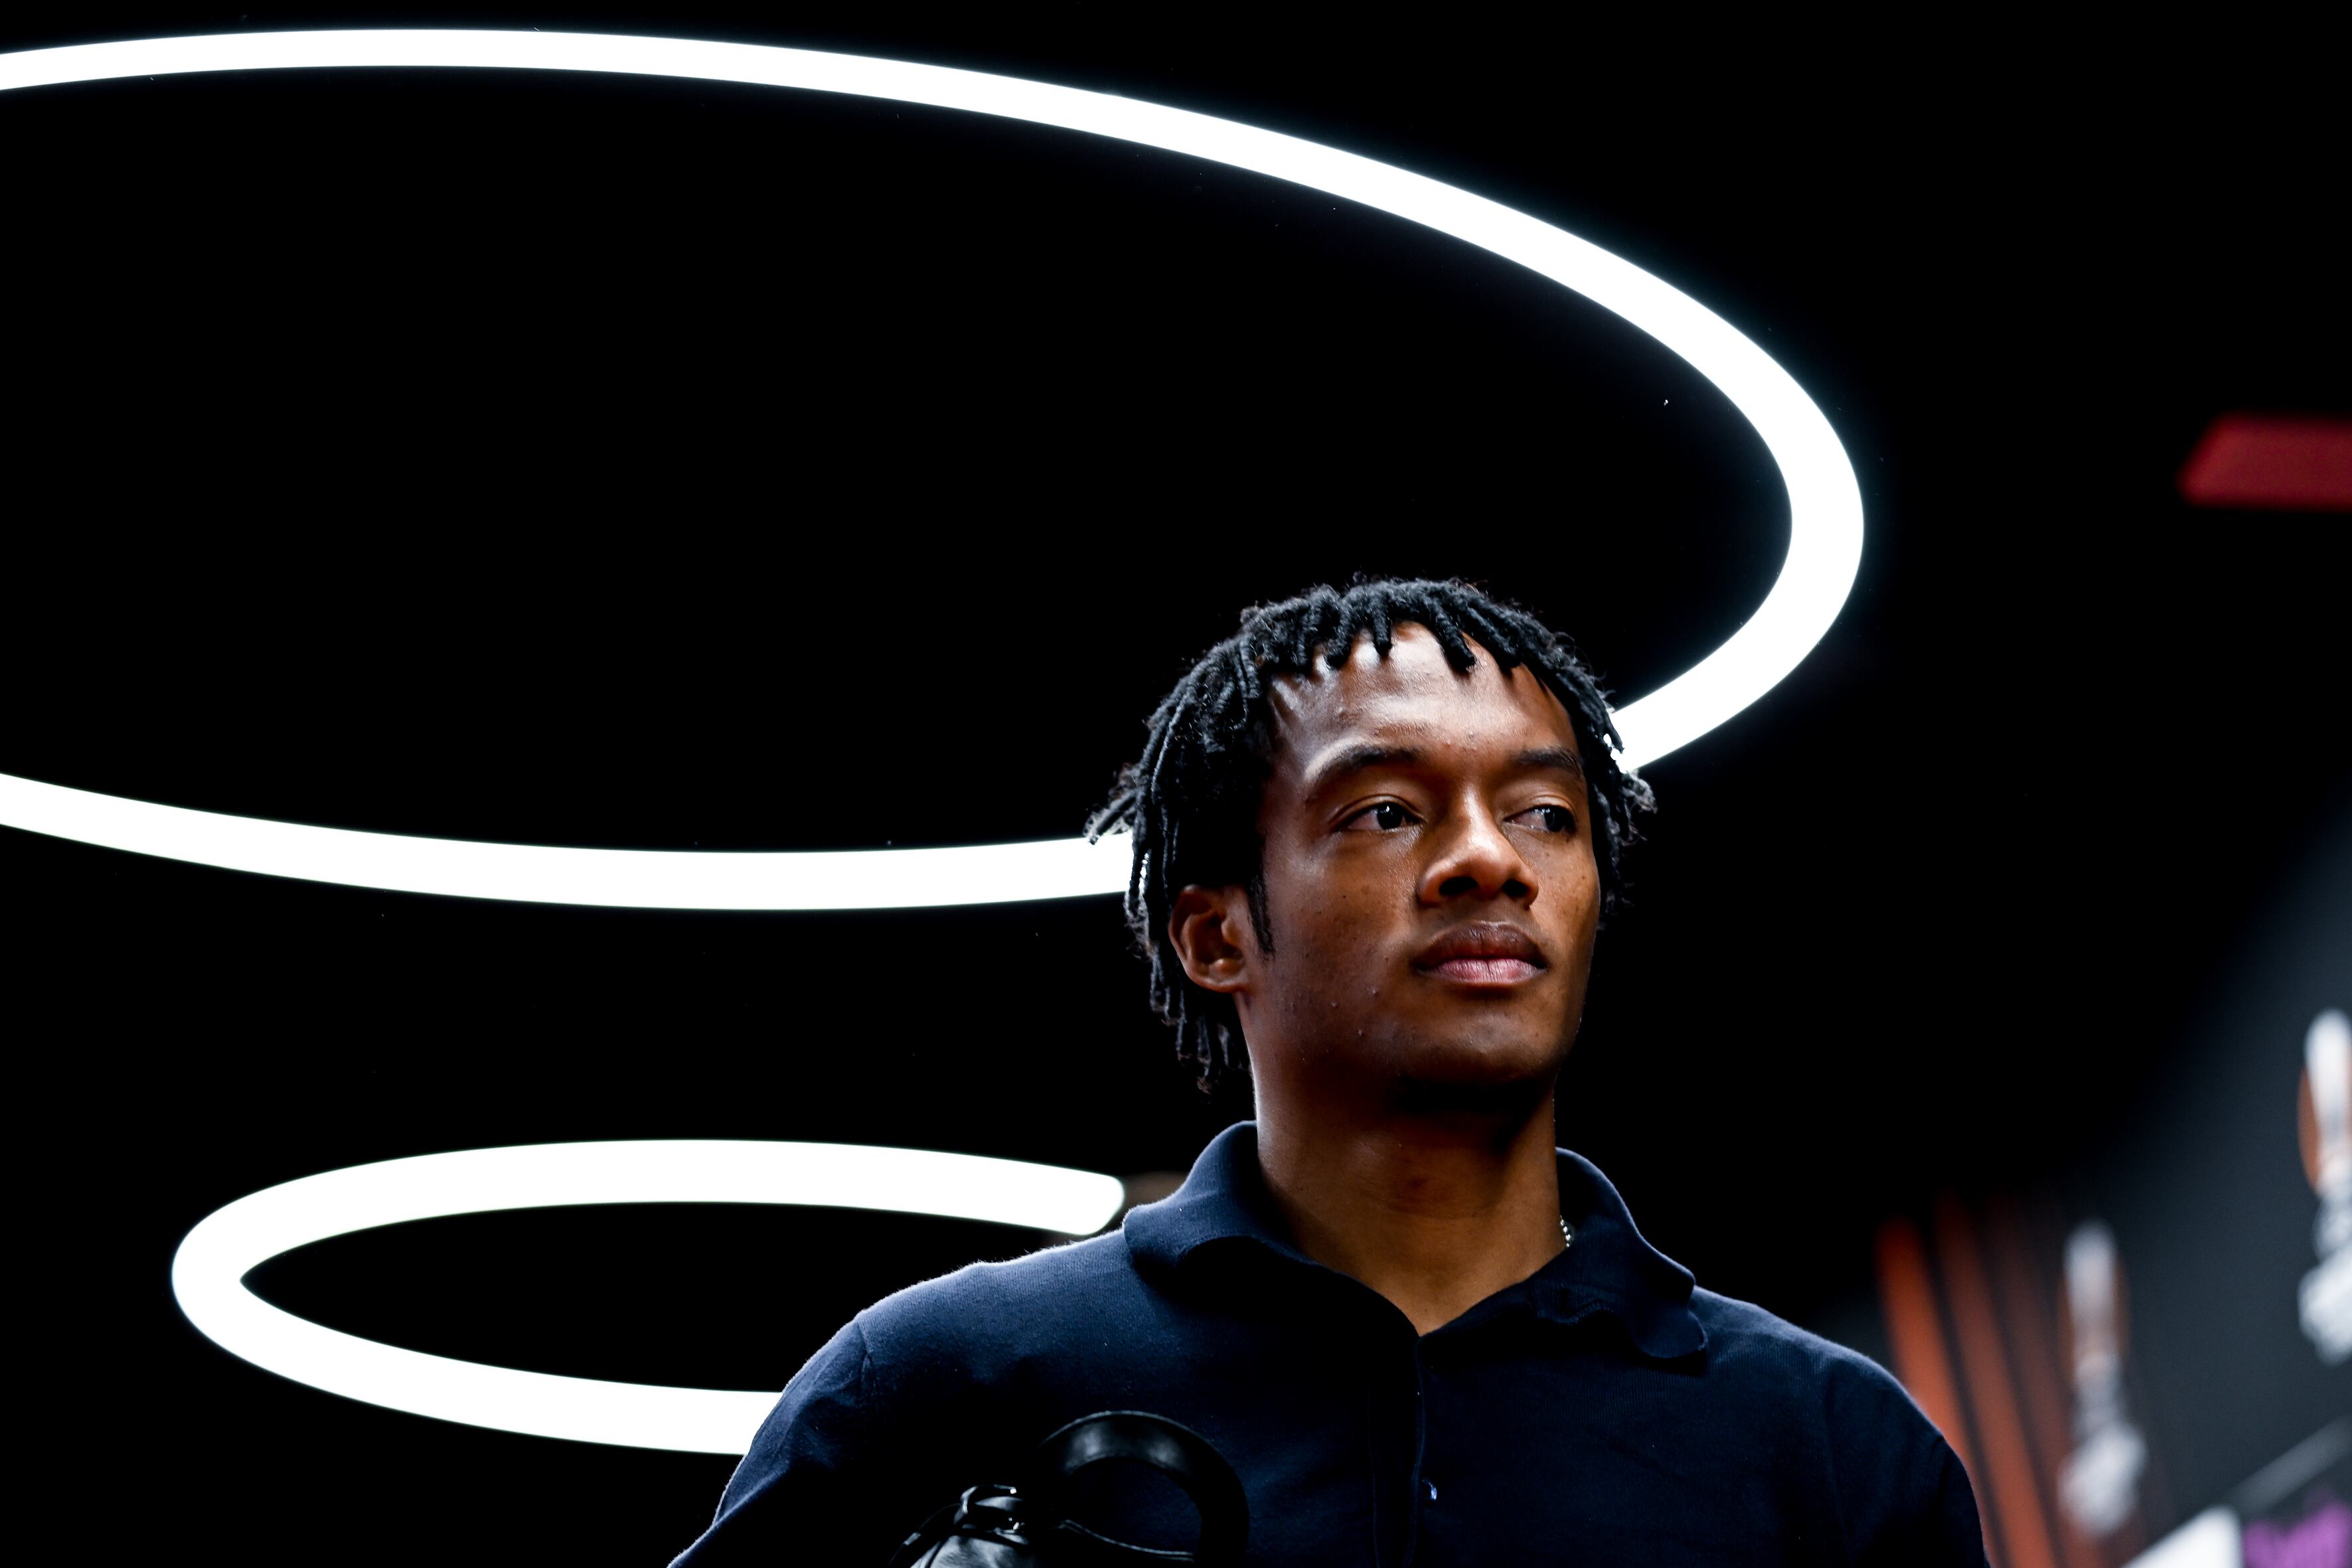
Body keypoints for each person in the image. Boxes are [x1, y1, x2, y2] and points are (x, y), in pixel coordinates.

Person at [673, 578, 1986, 1565]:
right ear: (1215, 934)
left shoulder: (1833, 1449)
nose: (1490, 860)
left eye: (1544, 813)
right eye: (1386, 811)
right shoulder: (939, 1382)